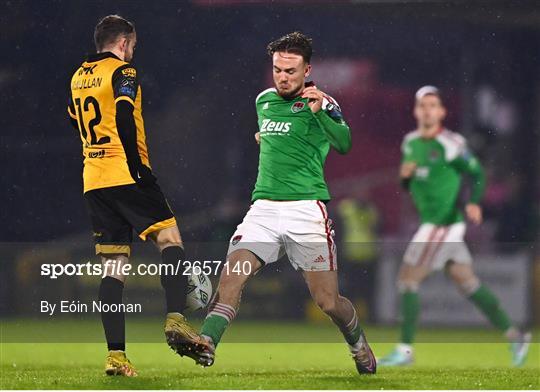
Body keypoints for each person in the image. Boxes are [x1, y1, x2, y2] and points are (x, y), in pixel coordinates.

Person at [180, 31, 376, 375]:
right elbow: (275, 137)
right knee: (232, 277)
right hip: (264, 211)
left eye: (290, 71)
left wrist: (320, 113)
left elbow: (344, 143)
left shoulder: (323, 102)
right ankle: (207, 343)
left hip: (306, 211)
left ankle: (358, 344)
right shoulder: (264, 101)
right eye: (277, 70)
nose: (283, 77)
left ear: (307, 70)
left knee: (328, 302)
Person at [68, 15, 203, 376]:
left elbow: (74, 120)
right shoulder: (123, 72)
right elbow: (125, 115)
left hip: (93, 180)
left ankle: (116, 356)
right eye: (133, 46)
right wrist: (136, 165)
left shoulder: (78, 76)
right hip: (125, 172)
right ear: (125, 43)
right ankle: (176, 317)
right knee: (169, 238)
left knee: (113, 270)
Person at [378, 85, 531, 367]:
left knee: (407, 281)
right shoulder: (410, 142)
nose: (427, 110)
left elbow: (476, 173)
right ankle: (515, 335)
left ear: (442, 111)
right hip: (433, 223)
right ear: (415, 111)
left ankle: (405, 351)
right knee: (469, 284)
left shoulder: (450, 143)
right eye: (422, 105)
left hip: (443, 224)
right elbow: (406, 183)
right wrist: (404, 177)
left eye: (433, 105)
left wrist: (474, 201)